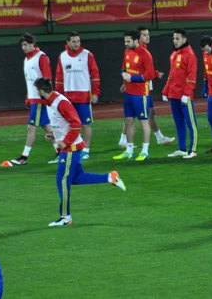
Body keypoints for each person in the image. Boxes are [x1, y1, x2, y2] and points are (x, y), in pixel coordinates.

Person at [34, 78, 126, 227]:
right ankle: (110, 177)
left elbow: (76, 123)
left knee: (62, 180)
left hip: (71, 148)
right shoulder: (51, 102)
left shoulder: (60, 102)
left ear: (42, 91)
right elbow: (62, 124)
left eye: (37, 90)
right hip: (70, 147)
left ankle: (65, 216)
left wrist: (66, 141)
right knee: (76, 177)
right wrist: (54, 135)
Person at [118, 26, 175, 148]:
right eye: (144, 35)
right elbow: (133, 70)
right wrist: (128, 81)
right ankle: (126, 140)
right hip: (139, 88)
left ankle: (159, 137)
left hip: (143, 85)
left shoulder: (143, 50)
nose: (147, 37)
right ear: (138, 38)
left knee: (149, 113)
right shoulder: (136, 50)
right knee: (137, 115)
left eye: (148, 34)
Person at [113, 29, 158, 161]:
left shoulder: (145, 54)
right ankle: (129, 150)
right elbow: (124, 68)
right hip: (129, 92)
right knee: (128, 121)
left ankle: (145, 151)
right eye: (125, 41)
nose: (125, 43)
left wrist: (132, 78)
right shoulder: (127, 51)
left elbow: (150, 75)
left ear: (136, 41)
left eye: (128, 41)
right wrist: (124, 80)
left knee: (144, 121)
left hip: (141, 93)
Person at [55, 32, 100, 160]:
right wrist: (58, 96)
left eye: (78, 41)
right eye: (74, 41)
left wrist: (95, 93)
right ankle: (69, 149)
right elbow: (59, 78)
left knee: (85, 124)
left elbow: (95, 75)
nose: (76, 44)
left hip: (84, 96)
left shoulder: (87, 55)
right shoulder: (63, 56)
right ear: (68, 43)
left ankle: (85, 150)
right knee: (68, 125)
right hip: (67, 97)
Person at [10, 33, 54, 166]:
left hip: (40, 100)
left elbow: (47, 79)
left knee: (31, 127)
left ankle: (24, 157)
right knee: (46, 126)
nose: (23, 47)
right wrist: (28, 97)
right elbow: (29, 81)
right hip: (34, 99)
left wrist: (45, 97)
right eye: (22, 45)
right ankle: (61, 150)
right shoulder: (27, 59)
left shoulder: (41, 57)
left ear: (32, 43)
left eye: (25, 44)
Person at [163, 29, 199, 159]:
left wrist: (187, 93)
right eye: (174, 39)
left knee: (191, 124)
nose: (175, 41)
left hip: (184, 96)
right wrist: (166, 90)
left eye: (177, 38)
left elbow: (192, 76)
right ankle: (182, 148)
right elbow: (171, 75)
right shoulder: (174, 54)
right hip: (174, 95)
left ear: (184, 39)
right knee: (179, 123)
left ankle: (193, 150)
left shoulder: (190, 55)